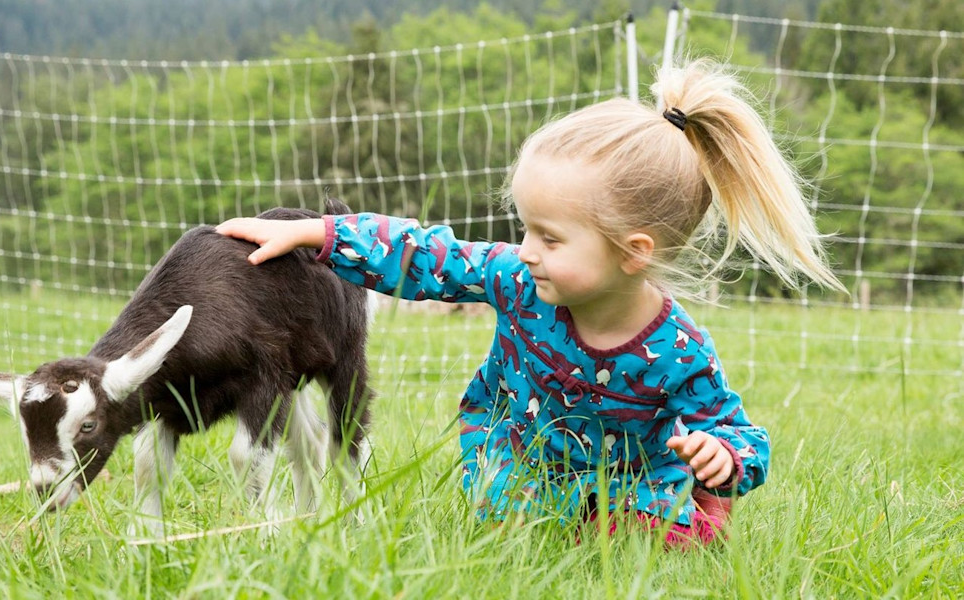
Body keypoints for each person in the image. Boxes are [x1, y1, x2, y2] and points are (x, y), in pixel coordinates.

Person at [217, 59, 845, 547]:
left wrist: (722, 454)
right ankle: (550, 520)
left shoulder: (679, 352)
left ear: (633, 252)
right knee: (515, 529)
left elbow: (736, 432)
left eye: (550, 237)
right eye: (525, 228)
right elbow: (428, 254)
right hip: (520, 456)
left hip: (633, 477)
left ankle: (675, 512)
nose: (526, 249)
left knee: (663, 532)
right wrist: (319, 235)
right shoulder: (518, 279)